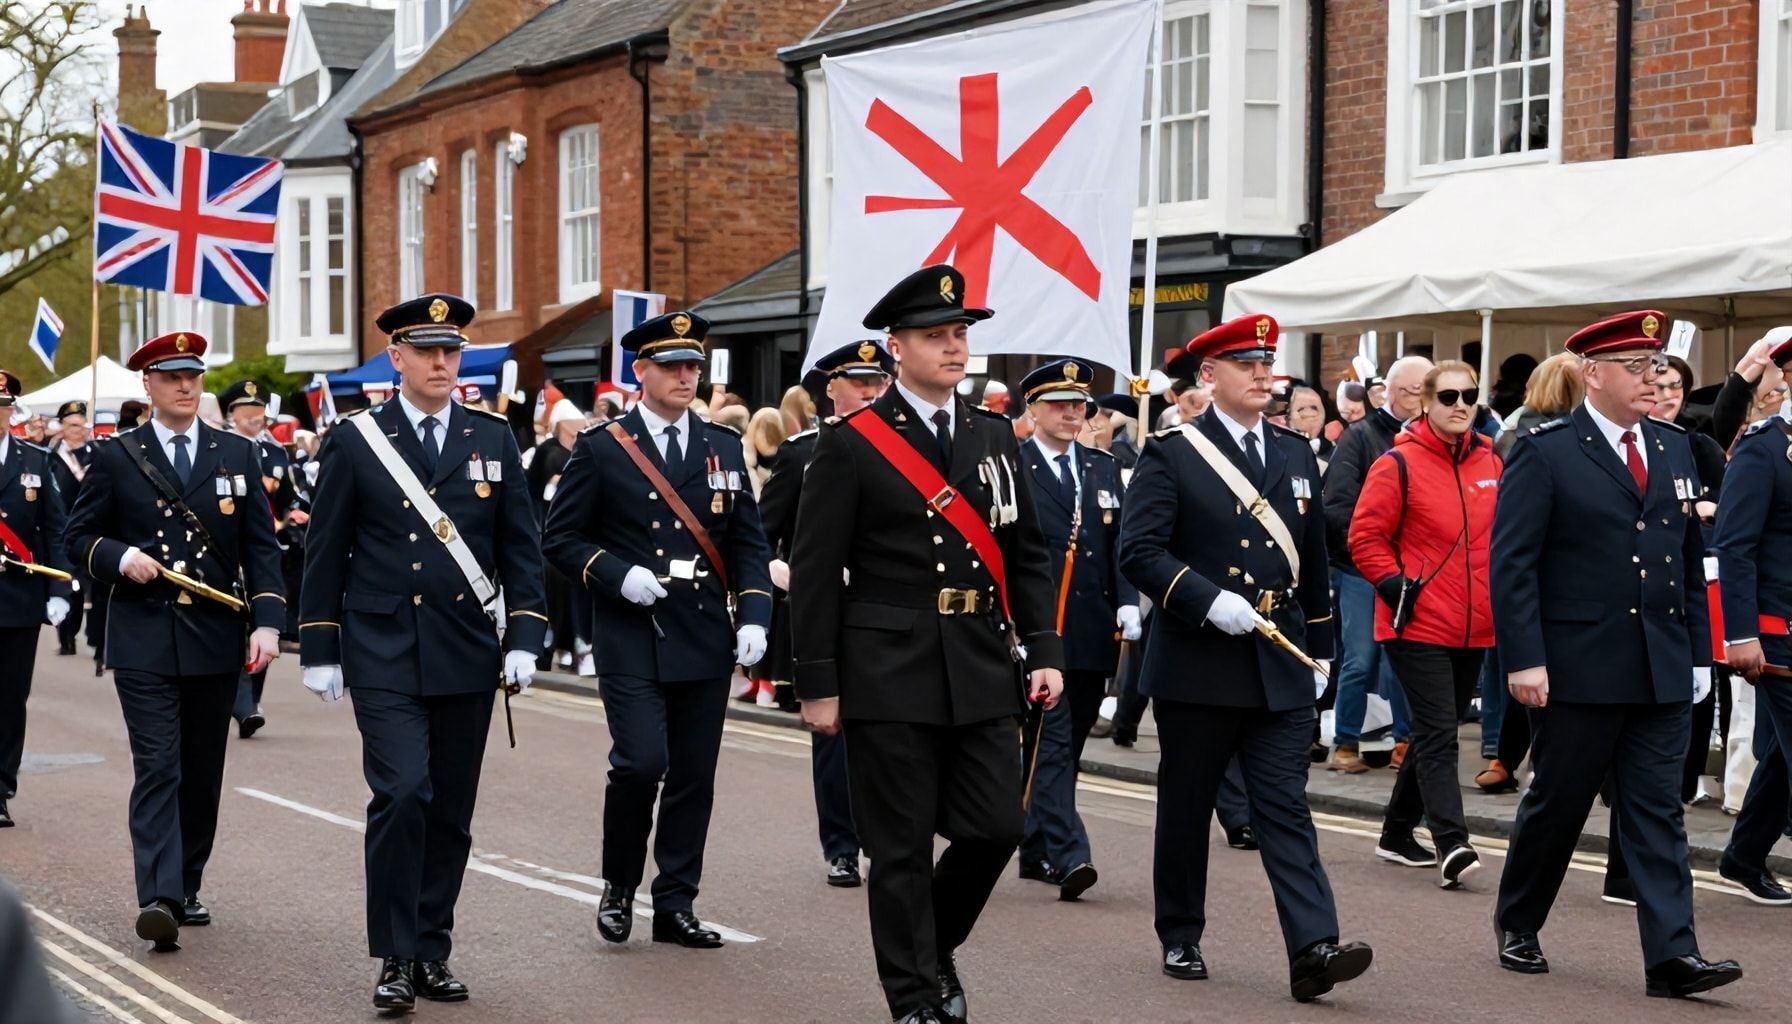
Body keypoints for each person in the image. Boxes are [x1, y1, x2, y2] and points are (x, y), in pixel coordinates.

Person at [789, 264, 1064, 1024]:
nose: (953, 347)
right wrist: (817, 682)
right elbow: (814, 572)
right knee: (902, 847)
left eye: (960, 334)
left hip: (978, 657)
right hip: (887, 664)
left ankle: (931, 945)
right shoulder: (852, 442)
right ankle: (912, 998)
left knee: (996, 828)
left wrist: (1043, 648)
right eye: (936, 335)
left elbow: (1026, 550)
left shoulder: (991, 433)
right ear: (895, 347)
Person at [299, 294, 547, 1010]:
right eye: (427, 351)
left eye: (452, 351)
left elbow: (521, 551)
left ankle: (432, 947)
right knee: (403, 792)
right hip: (381, 647)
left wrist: (526, 636)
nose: (442, 363)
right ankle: (395, 956)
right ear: (397, 359)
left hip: (466, 649)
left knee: (451, 812)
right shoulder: (356, 439)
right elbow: (326, 548)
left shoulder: (492, 437)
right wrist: (320, 644)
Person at [1119, 313, 1371, 1002]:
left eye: (1269, 363)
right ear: (1209, 375)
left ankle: (1313, 946)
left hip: (1279, 655)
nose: (1265, 374)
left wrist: (1321, 655)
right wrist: (1204, 599)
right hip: (1200, 659)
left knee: (1284, 806)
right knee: (1187, 803)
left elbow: (1313, 562)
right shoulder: (1172, 453)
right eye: (1247, 364)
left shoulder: (1294, 453)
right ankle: (1180, 931)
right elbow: (1138, 552)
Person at [1490, 310, 1741, 997]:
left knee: (1657, 811)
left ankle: (1673, 957)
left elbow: (1688, 558)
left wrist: (1696, 653)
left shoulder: (1673, 446)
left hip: (1659, 660)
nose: (1651, 377)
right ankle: (1518, 920)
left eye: (1654, 365)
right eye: (1634, 366)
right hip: (1576, 663)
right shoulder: (1546, 451)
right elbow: (1512, 564)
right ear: (1591, 374)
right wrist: (1524, 659)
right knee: (1560, 802)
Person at [542, 310, 773, 952]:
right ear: (639, 372)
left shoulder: (724, 447)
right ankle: (620, 885)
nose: (684, 375)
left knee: (694, 776)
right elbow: (559, 538)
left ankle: (675, 902)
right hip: (632, 631)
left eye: (692, 365)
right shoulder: (602, 446)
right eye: (670, 365)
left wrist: (755, 616)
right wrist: (615, 575)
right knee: (642, 762)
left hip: (701, 631)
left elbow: (749, 545)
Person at [63, 332, 284, 951]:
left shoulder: (236, 454)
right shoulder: (117, 457)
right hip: (144, 635)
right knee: (158, 764)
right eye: (171, 376)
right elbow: (77, 540)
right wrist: (120, 554)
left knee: (201, 770)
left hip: (214, 636)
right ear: (148, 385)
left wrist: (267, 623)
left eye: (193, 375)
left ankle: (186, 882)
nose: (185, 386)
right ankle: (157, 896)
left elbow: (259, 549)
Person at [1348, 361, 1500, 887]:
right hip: (1415, 622)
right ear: (1426, 403)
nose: (1461, 405)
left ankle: (1394, 834)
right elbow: (1364, 537)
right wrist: (1395, 585)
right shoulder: (1398, 462)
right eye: (1449, 396)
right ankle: (1452, 843)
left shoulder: (1491, 461)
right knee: (1437, 731)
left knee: (1439, 729)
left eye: (1470, 396)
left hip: (1475, 623)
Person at [758, 339, 895, 889]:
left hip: (888, 613)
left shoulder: (908, 449)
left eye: (878, 382)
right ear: (830, 388)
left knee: (892, 737)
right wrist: (777, 568)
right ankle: (841, 844)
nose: (870, 391)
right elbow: (760, 534)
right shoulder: (801, 452)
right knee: (833, 736)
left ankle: (886, 838)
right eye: (858, 382)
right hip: (829, 613)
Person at [1012, 358, 1139, 903]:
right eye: (1058, 404)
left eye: (1079, 405)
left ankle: (1035, 845)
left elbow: (1121, 545)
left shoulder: (1101, 467)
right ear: (1033, 409)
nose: (1071, 413)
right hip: (1040, 629)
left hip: (1092, 627)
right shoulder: (1011, 466)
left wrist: (1129, 601)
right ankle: (1070, 854)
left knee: (1069, 739)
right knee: (1054, 741)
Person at [1710, 334, 1792, 907]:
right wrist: (1741, 634)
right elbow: (1734, 546)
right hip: (1778, 630)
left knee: (1784, 758)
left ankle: (1742, 856)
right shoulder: (1764, 448)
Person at [1323, 356, 1431, 773]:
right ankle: (1346, 744)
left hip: (1411, 570)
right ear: (1401, 393)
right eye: (1424, 392)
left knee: (1403, 657)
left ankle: (1405, 742)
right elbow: (1338, 504)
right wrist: (1376, 548)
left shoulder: (1426, 437)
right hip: (1362, 569)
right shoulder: (1361, 436)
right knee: (1362, 657)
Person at [0, 371, 74, 829]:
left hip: (17, 599)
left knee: (9, 698)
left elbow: (56, 528)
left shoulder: (35, 459)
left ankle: (1, 786)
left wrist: (61, 588)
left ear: (11, 411)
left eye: (2, 405)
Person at [217, 380, 294, 740]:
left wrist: (292, 514)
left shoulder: (277, 453)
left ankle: (252, 701)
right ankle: (241, 701)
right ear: (232, 414)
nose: (254, 418)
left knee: (263, 627)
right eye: (245, 412)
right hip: (228, 554)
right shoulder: (221, 449)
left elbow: (290, 496)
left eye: (258, 412)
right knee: (232, 629)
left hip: (266, 550)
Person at [527, 399, 593, 674]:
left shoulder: (583, 449)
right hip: (548, 532)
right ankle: (545, 648)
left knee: (576, 591)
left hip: (577, 533)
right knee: (552, 593)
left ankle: (575, 645)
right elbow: (534, 489)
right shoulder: (549, 451)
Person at [45, 401, 93, 657]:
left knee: (90, 589)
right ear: (62, 427)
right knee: (68, 586)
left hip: (89, 532)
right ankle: (67, 638)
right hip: (61, 535)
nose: (78, 431)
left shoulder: (96, 455)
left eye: (82, 426)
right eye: (73, 425)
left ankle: (93, 638)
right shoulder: (50, 458)